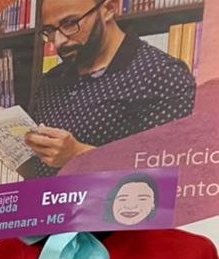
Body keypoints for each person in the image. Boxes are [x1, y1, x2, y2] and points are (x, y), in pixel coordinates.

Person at [23, 0, 195, 177]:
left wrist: (77, 155)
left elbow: (172, 173)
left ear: (108, 9)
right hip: (43, 195)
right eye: (50, 31)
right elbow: (35, 169)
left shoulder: (162, 74)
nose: (58, 41)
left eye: (70, 23)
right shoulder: (50, 81)